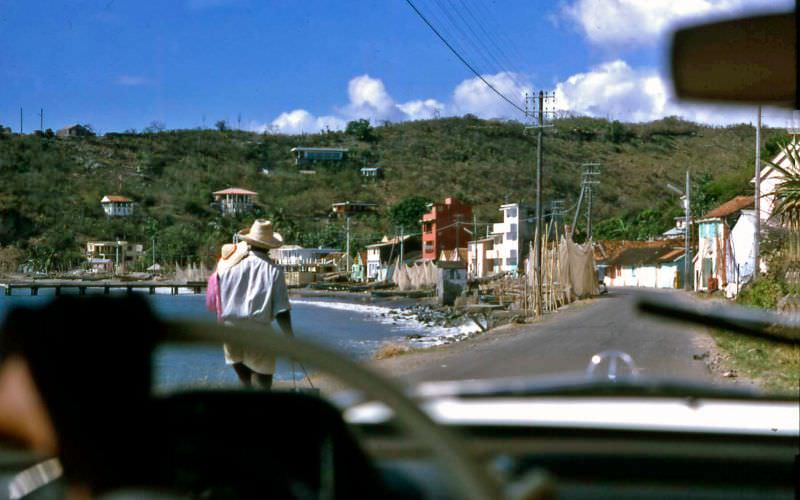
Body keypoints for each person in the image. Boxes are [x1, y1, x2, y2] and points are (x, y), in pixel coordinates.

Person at [216, 219, 293, 389]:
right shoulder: (274, 271)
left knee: (245, 382)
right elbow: (281, 310)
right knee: (264, 383)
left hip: (229, 329)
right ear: (269, 246)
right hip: (257, 330)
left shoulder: (228, 267)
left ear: (249, 242)